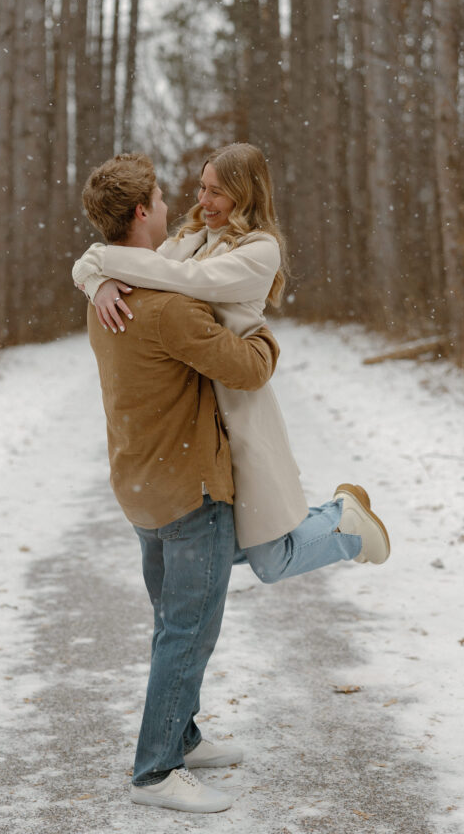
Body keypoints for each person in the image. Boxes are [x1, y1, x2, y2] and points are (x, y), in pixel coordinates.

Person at [73, 143, 390, 582]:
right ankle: (337, 519)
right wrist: (97, 280)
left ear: (244, 193)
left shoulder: (260, 251)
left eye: (216, 192)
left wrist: (103, 266)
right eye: (202, 188)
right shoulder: (191, 238)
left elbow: (186, 280)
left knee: (270, 560)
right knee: (214, 539)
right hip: (204, 417)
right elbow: (135, 265)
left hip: (240, 403)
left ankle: (345, 524)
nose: (203, 201)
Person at [80, 153, 283, 813]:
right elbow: (248, 369)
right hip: (186, 489)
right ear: (142, 212)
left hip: (139, 484)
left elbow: (109, 266)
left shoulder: (108, 294)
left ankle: (183, 734)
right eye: (165, 197)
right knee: (188, 629)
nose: (175, 205)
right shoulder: (168, 307)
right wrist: (263, 339)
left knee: (173, 619)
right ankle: (156, 771)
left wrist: (93, 275)